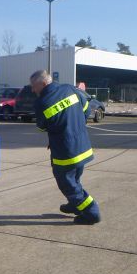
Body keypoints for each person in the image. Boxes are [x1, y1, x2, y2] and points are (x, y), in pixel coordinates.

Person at [30, 70, 101, 224]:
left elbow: (42, 127)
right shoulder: (69, 89)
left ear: (42, 84)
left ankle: (91, 212)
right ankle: (75, 205)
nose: (32, 90)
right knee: (75, 179)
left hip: (65, 153)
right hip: (83, 146)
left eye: (33, 86)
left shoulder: (42, 102)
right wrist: (77, 125)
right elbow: (86, 106)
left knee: (67, 184)